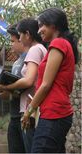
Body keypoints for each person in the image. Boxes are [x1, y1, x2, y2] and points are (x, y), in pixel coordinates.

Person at [21, 8, 78, 153]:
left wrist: (28, 111)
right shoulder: (63, 44)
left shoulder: (58, 43)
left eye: (42, 26)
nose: (39, 30)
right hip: (57, 113)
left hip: (55, 113)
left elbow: (46, 85)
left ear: (53, 25)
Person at [0, 18, 47, 153]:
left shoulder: (35, 50)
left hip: (30, 109)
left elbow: (29, 80)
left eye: (19, 36)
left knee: (30, 148)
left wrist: (6, 87)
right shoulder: (41, 49)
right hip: (29, 108)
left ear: (27, 34)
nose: (19, 39)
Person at [0, 24, 27, 153]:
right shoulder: (16, 63)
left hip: (26, 114)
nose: (11, 45)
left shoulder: (32, 58)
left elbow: (29, 85)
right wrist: (5, 92)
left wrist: (8, 88)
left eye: (13, 41)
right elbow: (15, 93)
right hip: (14, 114)